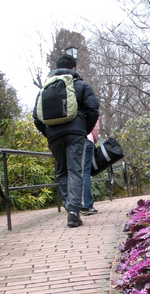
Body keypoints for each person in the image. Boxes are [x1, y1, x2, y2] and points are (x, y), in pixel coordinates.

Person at [33, 54, 100, 228]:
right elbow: (93, 109)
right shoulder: (80, 85)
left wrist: (49, 133)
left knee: (61, 172)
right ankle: (73, 213)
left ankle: (69, 207)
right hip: (75, 133)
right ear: (73, 69)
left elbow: (37, 118)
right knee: (75, 171)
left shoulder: (44, 89)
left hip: (54, 135)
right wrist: (84, 129)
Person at [81, 120, 99, 215]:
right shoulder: (88, 106)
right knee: (85, 172)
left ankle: (74, 206)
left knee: (74, 172)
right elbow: (95, 128)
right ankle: (87, 205)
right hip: (87, 139)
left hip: (72, 141)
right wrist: (95, 139)